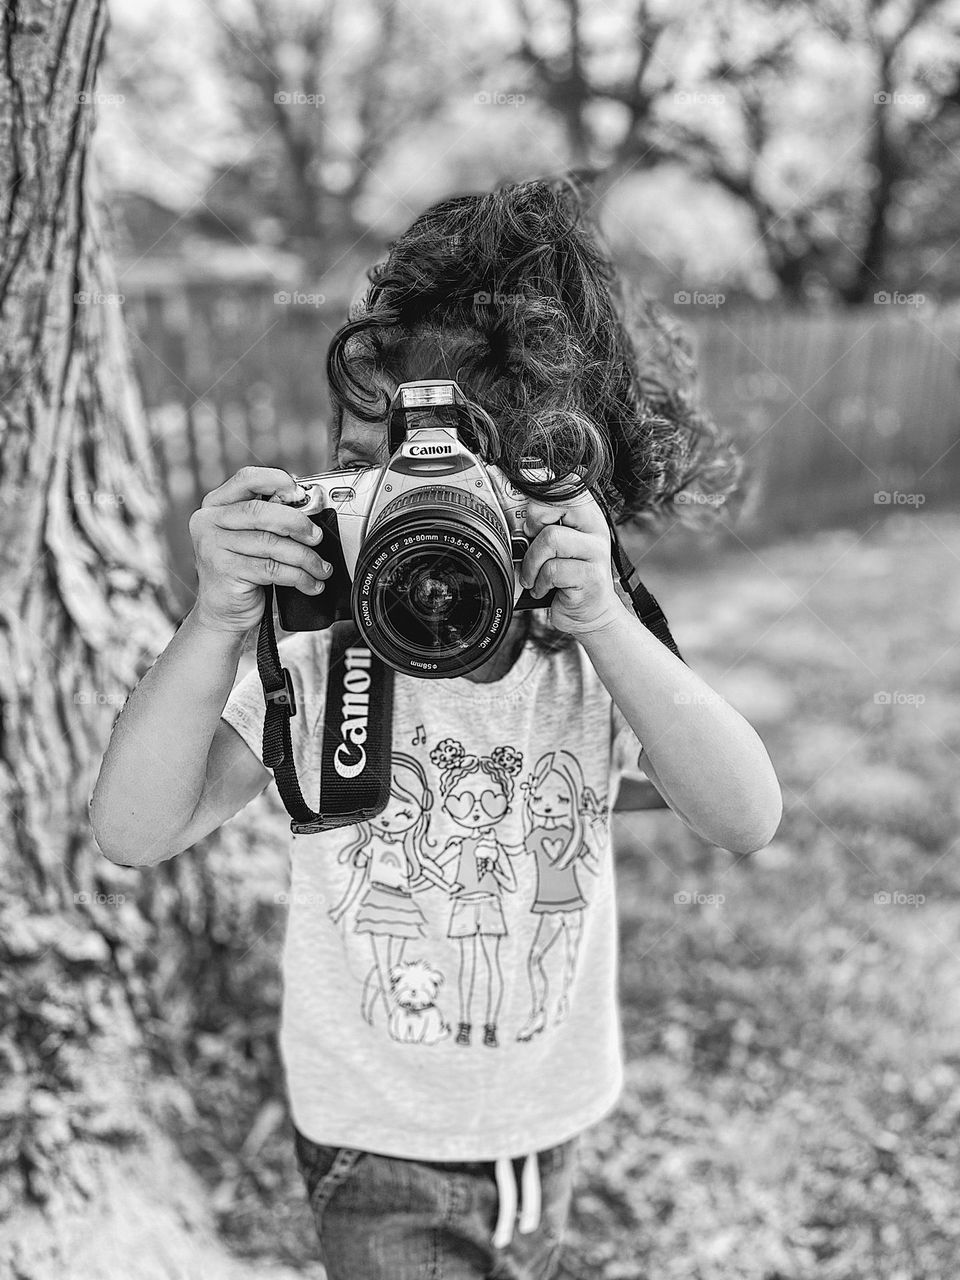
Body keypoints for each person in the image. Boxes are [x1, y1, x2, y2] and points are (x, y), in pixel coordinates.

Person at [90, 176, 782, 1280]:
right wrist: (217, 615)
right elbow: (133, 828)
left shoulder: (585, 644)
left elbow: (747, 813)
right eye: (377, 470)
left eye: (471, 479)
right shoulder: (315, 647)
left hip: (550, 1121)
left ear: (560, 489)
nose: (425, 514)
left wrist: (605, 613)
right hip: (372, 1140)